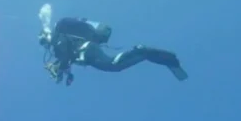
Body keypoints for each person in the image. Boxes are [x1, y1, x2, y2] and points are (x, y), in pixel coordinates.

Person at [38, 16, 188, 85]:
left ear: (47, 35)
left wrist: (60, 68)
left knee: (112, 64)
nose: (45, 45)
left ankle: (141, 51)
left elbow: (65, 58)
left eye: (43, 41)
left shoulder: (58, 40)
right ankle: (145, 54)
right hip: (87, 54)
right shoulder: (59, 44)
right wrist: (66, 74)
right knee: (115, 67)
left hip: (88, 50)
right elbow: (66, 59)